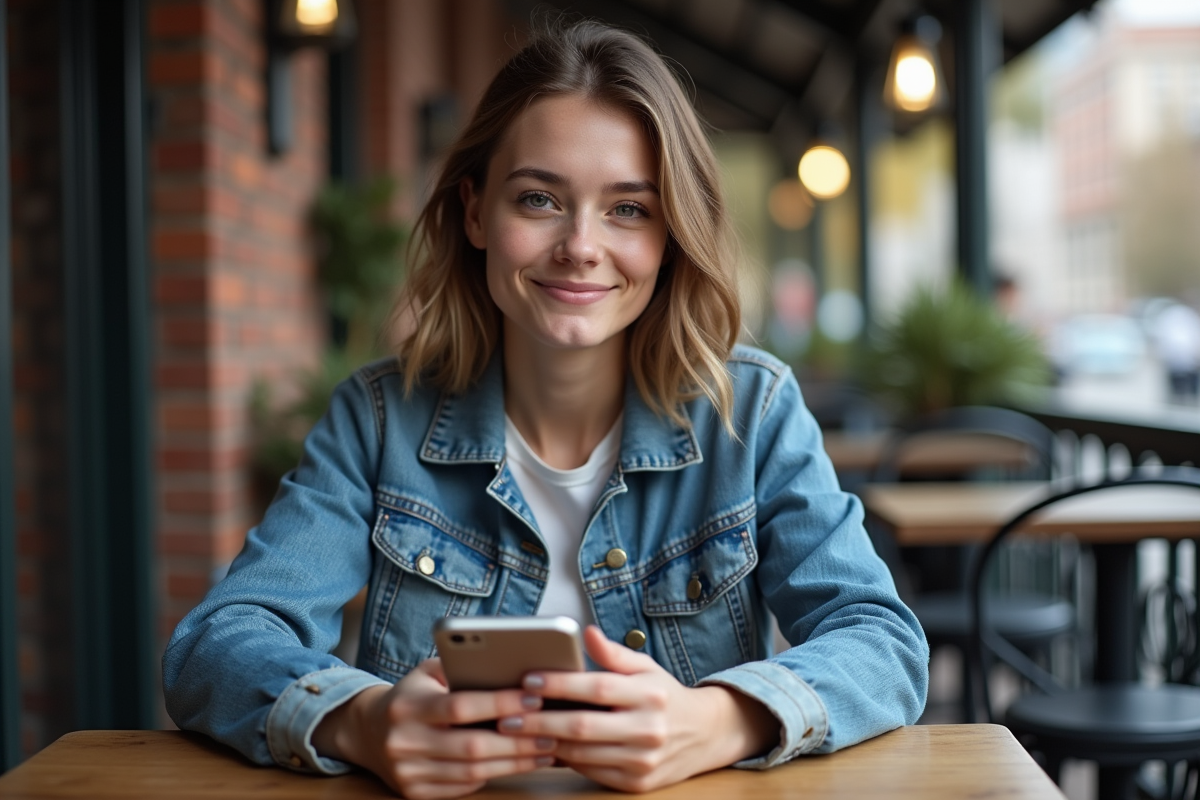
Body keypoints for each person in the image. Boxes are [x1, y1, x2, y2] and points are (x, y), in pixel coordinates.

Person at [162, 20, 927, 799]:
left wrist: (719, 721)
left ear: (670, 236)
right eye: (538, 199)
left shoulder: (751, 412)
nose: (580, 246)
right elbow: (217, 646)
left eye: (628, 209)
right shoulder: (379, 419)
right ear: (474, 212)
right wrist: (361, 721)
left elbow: (882, 643)